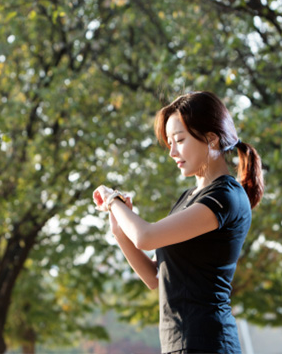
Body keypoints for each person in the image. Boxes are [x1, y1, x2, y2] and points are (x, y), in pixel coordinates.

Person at [93, 91, 264, 354]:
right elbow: (157, 278)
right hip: (179, 344)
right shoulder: (189, 198)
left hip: (207, 343)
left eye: (180, 140)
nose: (172, 151)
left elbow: (146, 236)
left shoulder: (225, 196)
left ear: (211, 139)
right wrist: (119, 230)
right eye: (170, 142)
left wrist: (112, 199)